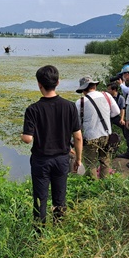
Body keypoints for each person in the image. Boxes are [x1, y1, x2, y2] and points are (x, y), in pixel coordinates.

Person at [21, 65, 82, 230]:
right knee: (59, 197)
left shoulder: (33, 109)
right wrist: (78, 159)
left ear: (39, 84)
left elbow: (27, 139)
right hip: (62, 159)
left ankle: (39, 233)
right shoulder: (69, 106)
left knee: (40, 199)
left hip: (41, 161)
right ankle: (58, 229)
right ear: (58, 82)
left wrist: (23, 135)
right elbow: (77, 136)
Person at [76, 76, 120, 179]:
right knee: (105, 161)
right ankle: (105, 183)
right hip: (106, 134)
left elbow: (77, 124)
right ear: (94, 86)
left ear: (83, 89)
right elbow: (116, 112)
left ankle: (93, 186)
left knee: (90, 163)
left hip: (90, 137)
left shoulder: (80, 102)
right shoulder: (107, 95)